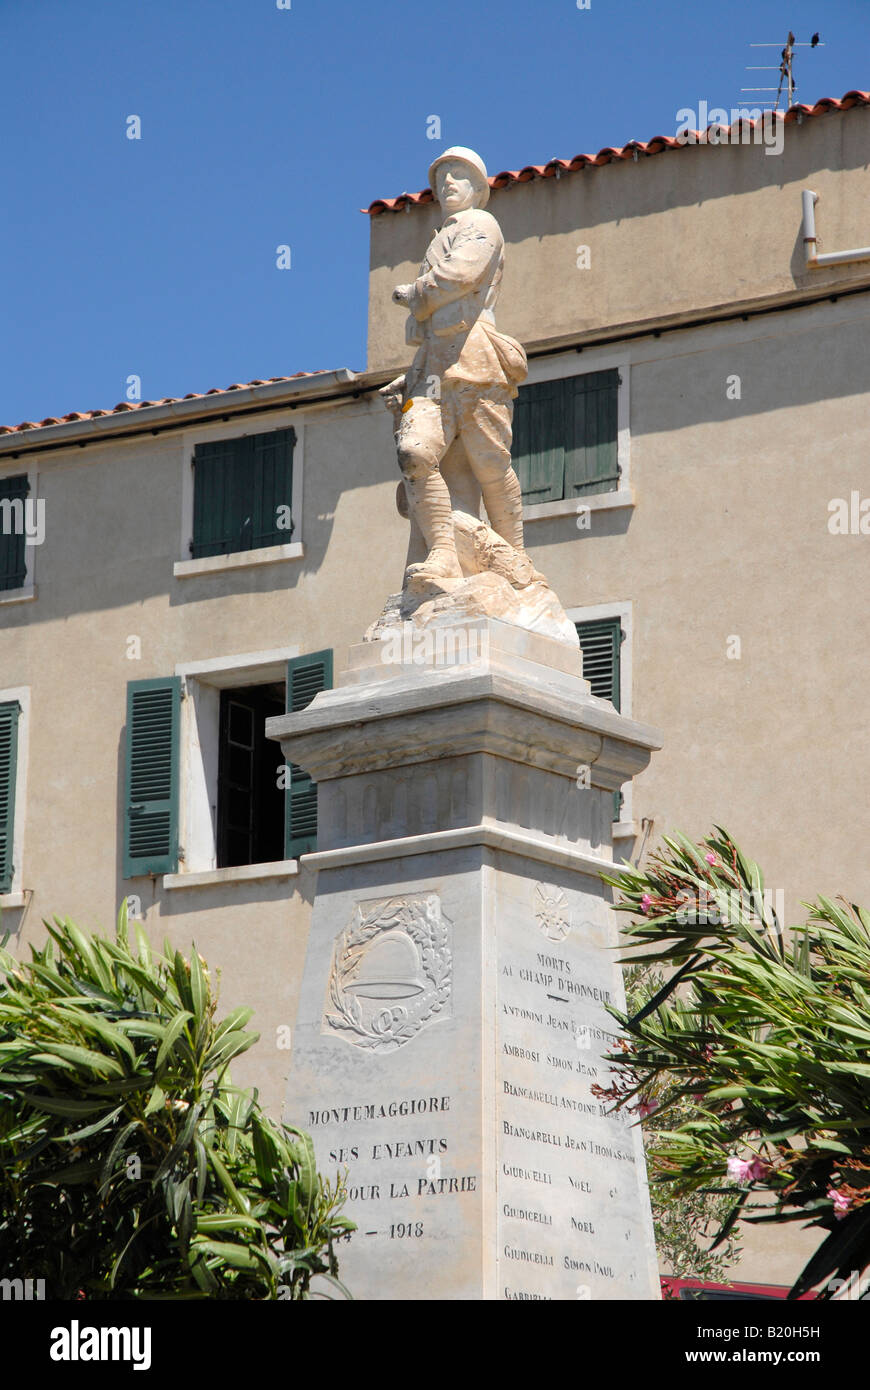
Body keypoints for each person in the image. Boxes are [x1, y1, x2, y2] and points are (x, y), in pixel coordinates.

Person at [382, 147, 529, 584]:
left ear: (479, 188)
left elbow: (461, 276)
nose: (447, 182)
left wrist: (414, 292)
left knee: (490, 464)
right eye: (441, 176)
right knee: (414, 454)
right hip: (429, 367)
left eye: (458, 175)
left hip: (475, 358)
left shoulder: (483, 225)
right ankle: (444, 553)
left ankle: (518, 556)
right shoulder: (436, 238)